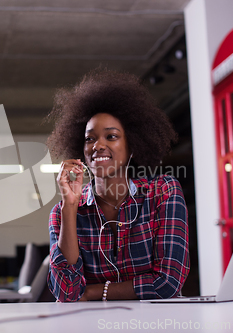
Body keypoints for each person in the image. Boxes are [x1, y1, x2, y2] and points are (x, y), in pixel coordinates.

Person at [45, 69, 190, 302]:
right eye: (89, 139)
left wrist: (93, 292)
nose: (97, 146)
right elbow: (66, 292)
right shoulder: (62, 214)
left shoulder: (163, 192)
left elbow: (168, 282)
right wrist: (70, 208)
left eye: (111, 136)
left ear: (132, 146)